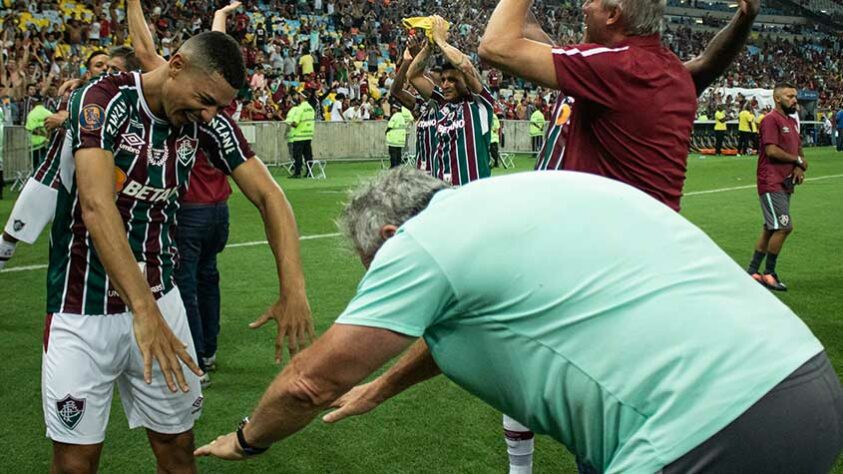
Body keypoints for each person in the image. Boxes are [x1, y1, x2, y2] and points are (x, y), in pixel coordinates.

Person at [195, 168, 842, 473]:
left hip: (700, 434)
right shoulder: (522, 193)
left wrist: (248, 438)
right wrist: (384, 385)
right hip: (804, 386)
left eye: (374, 270)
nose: (381, 286)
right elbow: (464, 320)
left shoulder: (422, 243)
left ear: (391, 236)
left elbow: (310, 382)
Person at [43, 32, 313, 473]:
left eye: (218, 107)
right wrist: (142, 310)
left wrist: (293, 286)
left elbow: (270, 196)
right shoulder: (103, 99)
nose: (208, 113)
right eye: (205, 99)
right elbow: (96, 204)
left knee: (177, 450)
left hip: (161, 302)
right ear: (175, 65)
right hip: (81, 307)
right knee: (75, 462)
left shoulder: (206, 123)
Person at [479, 0, 759, 211]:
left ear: (613, 14)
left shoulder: (614, 67)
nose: (584, 7)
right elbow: (527, 27)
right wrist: (746, 16)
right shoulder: (667, 70)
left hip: (605, 244)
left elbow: (495, 46)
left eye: (592, 0)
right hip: (648, 239)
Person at [0, 48, 123, 270]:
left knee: (79, 249)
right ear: (87, 72)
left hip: (86, 187)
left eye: (108, 66)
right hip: (50, 175)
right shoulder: (75, 93)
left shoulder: (118, 100)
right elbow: (58, 123)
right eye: (98, 65)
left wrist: (67, 120)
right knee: (10, 236)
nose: (104, 70)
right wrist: (66, 117)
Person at [407, 16, 495, 186]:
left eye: (452, 80)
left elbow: (465, 67)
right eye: (444, 79)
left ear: (466, 82)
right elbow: (414, 76)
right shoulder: (440, 103)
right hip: (443, 192)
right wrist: (429, 46)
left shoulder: (479, 104)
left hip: (471, 193)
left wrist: (441, 41)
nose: (445, 84)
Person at [746, 83, 806, 292]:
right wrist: (797, 159)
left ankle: (752, 271)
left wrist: (799, 165)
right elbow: (771, 151)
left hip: (785, 182)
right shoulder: (771, 120)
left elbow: (797, 146)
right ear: (777, 99)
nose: (794, 100)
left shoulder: (791, 120)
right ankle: (769, 273)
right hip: (771, 182)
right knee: (784, 227)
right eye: (790, 96)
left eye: (795, 96)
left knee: (769, 228)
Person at [388, 35, 440, 176]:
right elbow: (395, 92)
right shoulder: (420, 105)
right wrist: (406, 62)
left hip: (441, 166)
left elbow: (422, 78)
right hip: (422, 167)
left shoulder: (444, 104)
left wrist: (418, 54)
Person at [288, 91, 316, 178]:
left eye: (299, 95)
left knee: (297, 155)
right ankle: (309, 172)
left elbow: (295, 123)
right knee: (308, 155)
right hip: (308, 135)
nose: (298, 96)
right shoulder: (311, 108)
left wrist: (289, 123)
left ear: (302, 97)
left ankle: (297, 172)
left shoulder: (300, 108)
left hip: (299, 135)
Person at [386, 101, 406, 168]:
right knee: (398, 154)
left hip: (393, 140)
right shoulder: (402, 116)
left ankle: (393, 167)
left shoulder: (395, 116)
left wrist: (386, 132)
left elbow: (390, 126)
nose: (392, 109)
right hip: (400, 140)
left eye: (394, 108)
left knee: (393, 154)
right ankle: (398, 167)